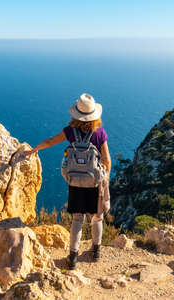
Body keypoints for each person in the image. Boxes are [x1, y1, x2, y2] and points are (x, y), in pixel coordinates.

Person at [24, 93, 111, 270]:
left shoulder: (70, 131)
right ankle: (96, 252)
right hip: (94, 182)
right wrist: (105, 179)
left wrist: (34, 150)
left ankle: (72, 258)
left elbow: (50, 141)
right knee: (97, 218)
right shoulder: (100, 133)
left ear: (76, 114)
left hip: (75, 182)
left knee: (77, 219)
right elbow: (107, 159)